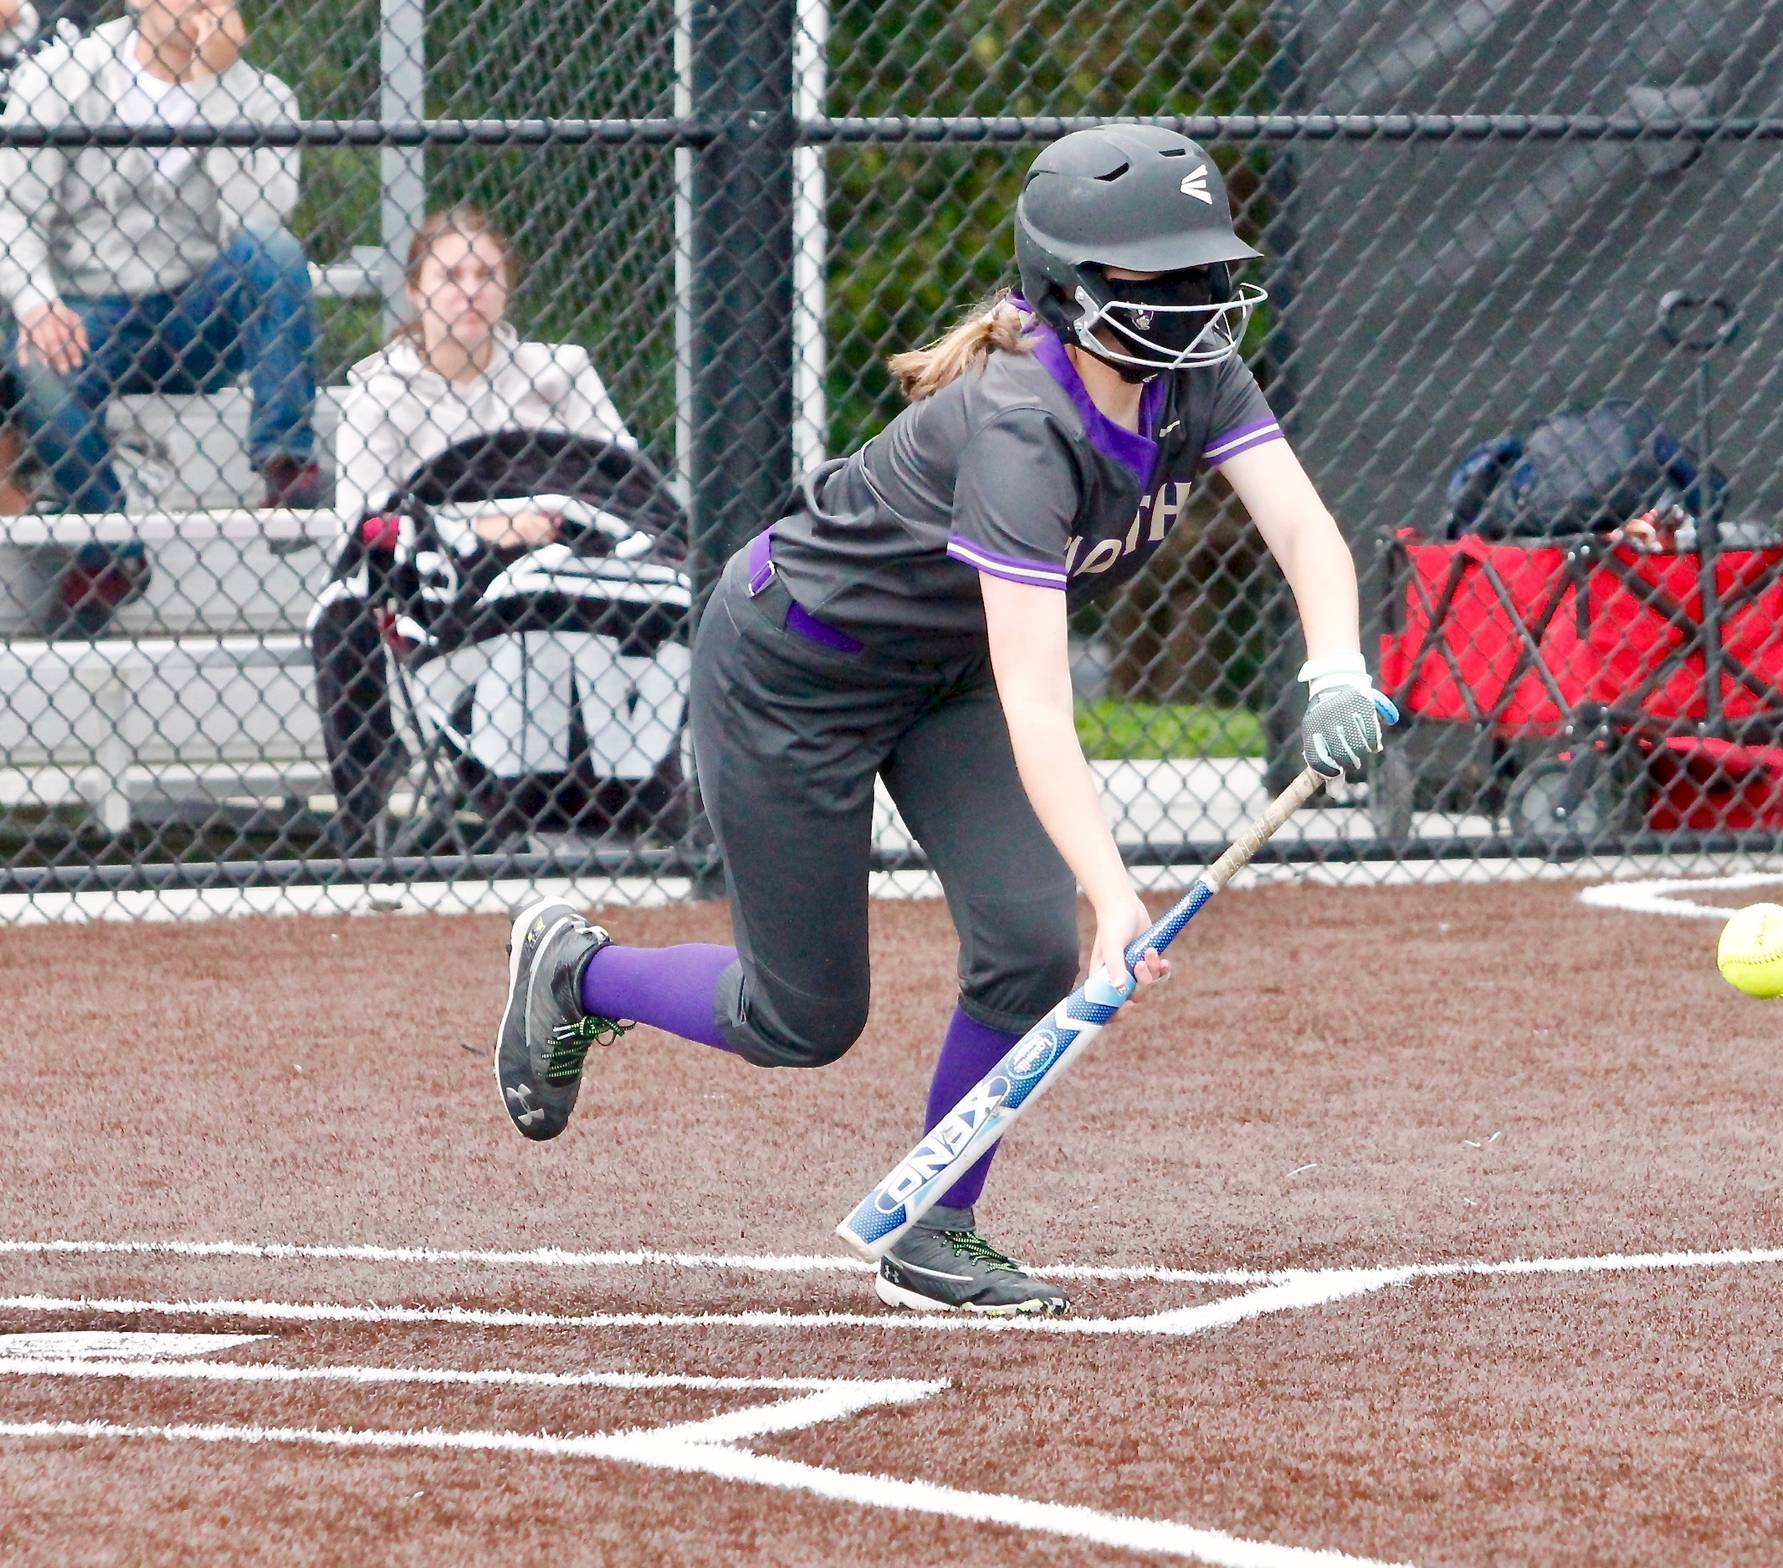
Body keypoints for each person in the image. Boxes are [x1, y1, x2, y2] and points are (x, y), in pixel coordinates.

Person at [490, 126, 1399, 1317]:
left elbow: (1302, 532)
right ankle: (577, 969)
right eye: (1162, 279)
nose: (1198, 298)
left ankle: (935, 1226)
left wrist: (1333, 668)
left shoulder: (1194, 377)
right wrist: (1114, 889)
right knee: (798, 1017)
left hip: (945, 675)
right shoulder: (1022, 425)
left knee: (1025, 943)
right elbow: (1038, 692)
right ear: (1071, 291)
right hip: (796, 672)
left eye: (1205, 270)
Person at [312, 204, 640, 854]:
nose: (470, 289)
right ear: (415, 288)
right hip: (433, 584)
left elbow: (627, 482)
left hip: (553, 567)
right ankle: (371, 798)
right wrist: (483, 525)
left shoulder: (559, 374)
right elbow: (365, 521)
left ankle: (593, 805)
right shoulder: (379, 392)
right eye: (450, 274)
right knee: (344, 605)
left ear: (508, 285)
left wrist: (548, 520)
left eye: (486, 273)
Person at [0, 0, 316, 633]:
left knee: (276, 255)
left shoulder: (264, 96)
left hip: (202, 314)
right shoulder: (64, 74)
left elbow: (257, 221)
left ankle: (287, 466)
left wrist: (214, 88)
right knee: (31, 364)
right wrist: (37, 303)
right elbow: (12, 211)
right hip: (93, 312)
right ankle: (113, 545)